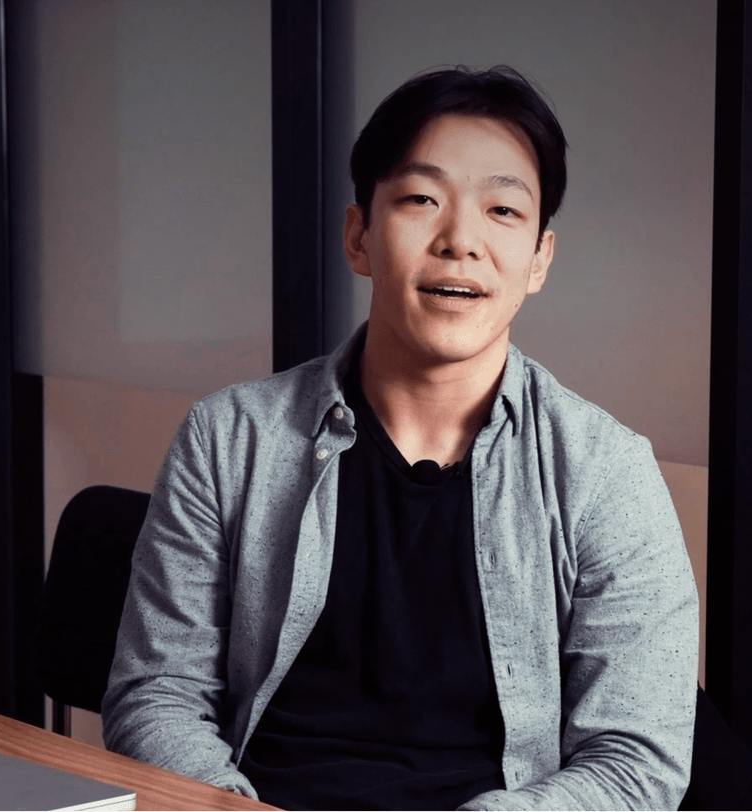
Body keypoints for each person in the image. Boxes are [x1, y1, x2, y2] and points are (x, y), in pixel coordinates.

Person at [102, 65, 698, 811]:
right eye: (421, 200)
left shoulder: (606, 472)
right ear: (360, 237)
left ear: (540, 259)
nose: (460, 242)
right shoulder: (228, 439)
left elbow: (637, 760)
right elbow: (156, 694)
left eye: (502, 211)